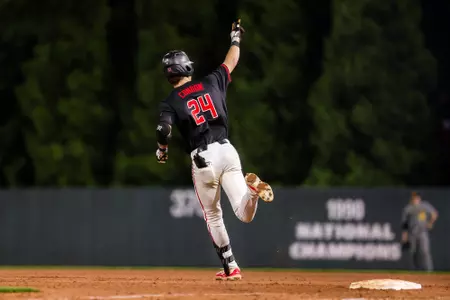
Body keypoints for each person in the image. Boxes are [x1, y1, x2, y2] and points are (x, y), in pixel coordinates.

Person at [155, 19, 274, 281]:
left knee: (212, 214)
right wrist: (235, 38)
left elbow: (164, 130)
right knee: (244, 213)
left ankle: (231, 267)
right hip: (228, 149)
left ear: (169, 74)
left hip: (203, 158)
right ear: (187, 68)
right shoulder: (212, 81)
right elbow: (231, 60)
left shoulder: (171, 101)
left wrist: (162, 150)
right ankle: (252, 192)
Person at [401, 192, 438, 271]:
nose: (415, 200)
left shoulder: (424, 206)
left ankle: (429, 270)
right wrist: (405, 235)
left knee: (425, 251)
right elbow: (405, 224)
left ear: (419, 198)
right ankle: (415, 270)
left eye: (416, 198)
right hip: (412, 233)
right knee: (413, 252)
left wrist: (430, 223)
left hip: (422, 232)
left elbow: (434, 214)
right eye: (413, 198)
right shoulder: (408, 208)